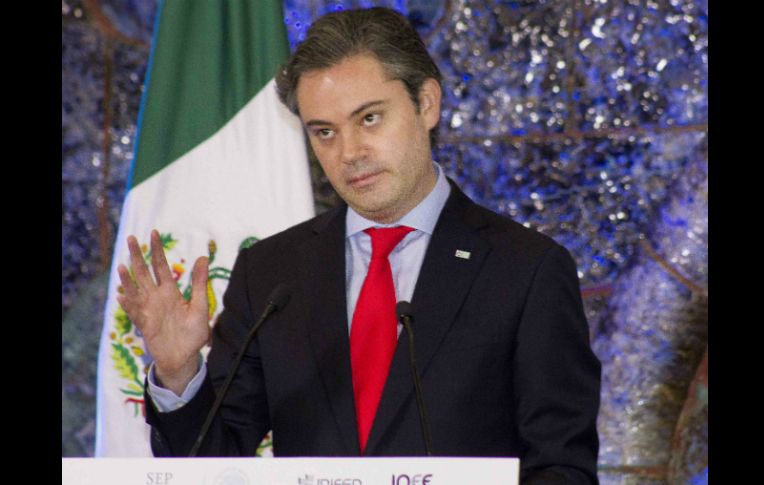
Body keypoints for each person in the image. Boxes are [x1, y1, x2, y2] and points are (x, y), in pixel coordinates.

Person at [117, 7, 601, 484]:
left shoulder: (525, 270)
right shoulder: (270, 274)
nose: (349, 152)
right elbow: (214, 461)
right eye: (324, 132)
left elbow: (562, 467)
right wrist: (178, 373)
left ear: (427, 104)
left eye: (369, 118)